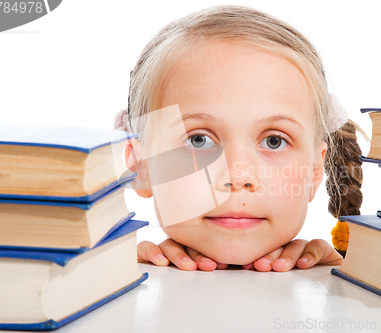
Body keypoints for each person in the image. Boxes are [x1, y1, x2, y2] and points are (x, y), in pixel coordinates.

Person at [113, 4, 367, 272]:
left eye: (274, 141)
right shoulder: (118, 275)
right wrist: (115, 264)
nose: (238, 176)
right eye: (198, 140)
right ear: (141, 167)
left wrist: (342, 270)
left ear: (315, 171)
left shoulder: (332, 276)